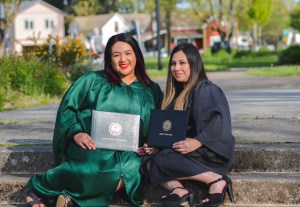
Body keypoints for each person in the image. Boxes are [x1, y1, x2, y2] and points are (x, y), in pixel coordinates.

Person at [25, 33, 163, 207]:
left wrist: (153, 144)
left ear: (137, 55)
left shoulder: (152, 90)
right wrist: (76, 133)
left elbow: (159, 124)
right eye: (116, 54)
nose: (123, 59)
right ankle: (38, 187)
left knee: (129, 173)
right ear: (109, 59)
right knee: (93, 167)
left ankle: (71, 200)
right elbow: (68, 108)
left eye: (128, 53)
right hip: (92, 145)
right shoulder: (93, 81)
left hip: (131, 151)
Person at [141, 42, 235, 207]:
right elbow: (173, 133)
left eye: (182, 63)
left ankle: (216, 180)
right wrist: (156, 145)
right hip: (188, 154)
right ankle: (178, 190)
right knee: (148, 159)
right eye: (173, 63)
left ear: (194, 64)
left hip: (210, 153)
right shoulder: (176, 96)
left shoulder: (206, 89)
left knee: (161, 160)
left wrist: (198, 141)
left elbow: (219, 122)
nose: (176, 68)